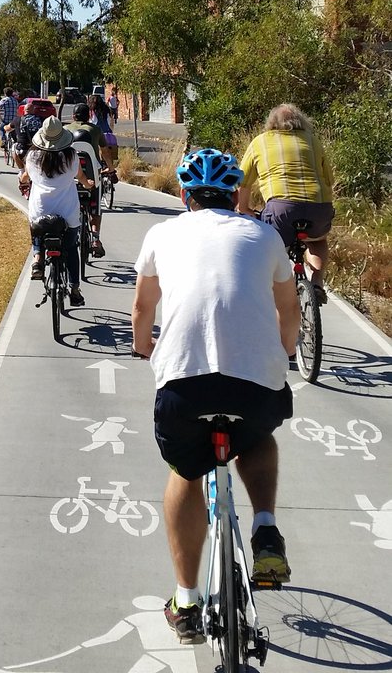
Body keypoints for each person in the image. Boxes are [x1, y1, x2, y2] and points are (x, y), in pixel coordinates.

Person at [131, 147, 300, 645]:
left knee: (186, 470)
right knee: (258, 436)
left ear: (185, 196)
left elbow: (143, 305)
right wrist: (283, 353)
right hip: (254, 386)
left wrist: (145, 348)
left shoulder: (162, 234)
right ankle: (265, 528)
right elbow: (288, 311)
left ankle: (185, 602)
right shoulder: (265, 235)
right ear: (237, 196)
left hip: (184, 388)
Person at [237, 103, 335, 305]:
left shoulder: (260, 142)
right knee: (317, 241)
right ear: (301, 121)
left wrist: (244, 209)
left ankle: (276, 291)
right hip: (319, 208)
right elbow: (329, 179)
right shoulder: (313, 141)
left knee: (272, 247)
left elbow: (242, 181)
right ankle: (317, 282)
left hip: (282, 210)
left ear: (271, 123)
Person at [17, 116, 96, 301]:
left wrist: (21, 178)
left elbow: (25, 178)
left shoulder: (33, 157)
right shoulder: (71, 156)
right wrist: (88, 184)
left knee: (36, 230)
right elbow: (82, 178)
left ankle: (37, 259)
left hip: (40, 212)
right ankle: (74, 288)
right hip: (68, 213)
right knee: (70, 247)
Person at [69, 102, 107, 257]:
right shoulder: (95, 129)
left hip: (70, 180)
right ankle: (95, 239)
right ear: (89, 115)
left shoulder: (66, 130)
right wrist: (110, 168)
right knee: (95, 208)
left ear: (73, 116)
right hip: (92, 180)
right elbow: (105, 151)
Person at [9, 97, 56, 170]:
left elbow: (8, 128)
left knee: (14, 147)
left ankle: (21, 170)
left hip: (23, 149)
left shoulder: (17, 120)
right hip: (37, 148)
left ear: (24, 111)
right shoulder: (41, 119)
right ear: (34, 110)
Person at [0, 86, 18, 153]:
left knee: (1, 129)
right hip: (14, 121)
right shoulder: (15, 101)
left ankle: (4, 140)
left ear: (5, 94)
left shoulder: (4, 100)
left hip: (6, 121)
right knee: (14, 132)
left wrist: (1, 119)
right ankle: (15, 143)